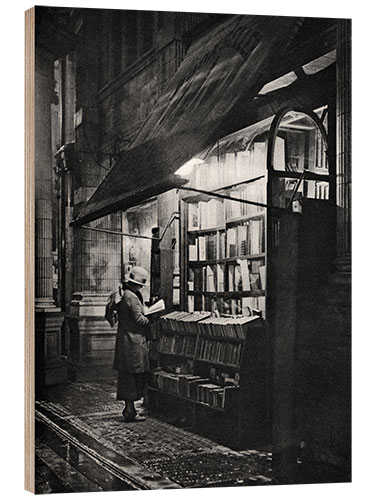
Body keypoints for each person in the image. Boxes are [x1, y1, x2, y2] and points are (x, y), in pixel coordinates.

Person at [113, 266, 151, 422]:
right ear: (137, 284)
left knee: (126, 377)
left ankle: (129, 409)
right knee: (133, 377)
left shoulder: (124, 294)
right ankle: (130, 411)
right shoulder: (132, 297)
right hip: (133, 342)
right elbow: (139, 319)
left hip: (125, 341)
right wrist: (151, 318)